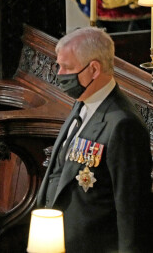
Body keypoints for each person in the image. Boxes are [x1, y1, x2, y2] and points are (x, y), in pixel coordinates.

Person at [37, 27, 152, 253]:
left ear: (94, 69)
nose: (59, 75)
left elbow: (131, 210)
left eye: (67, 68)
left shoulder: (122, 124)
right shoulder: (83, 102)